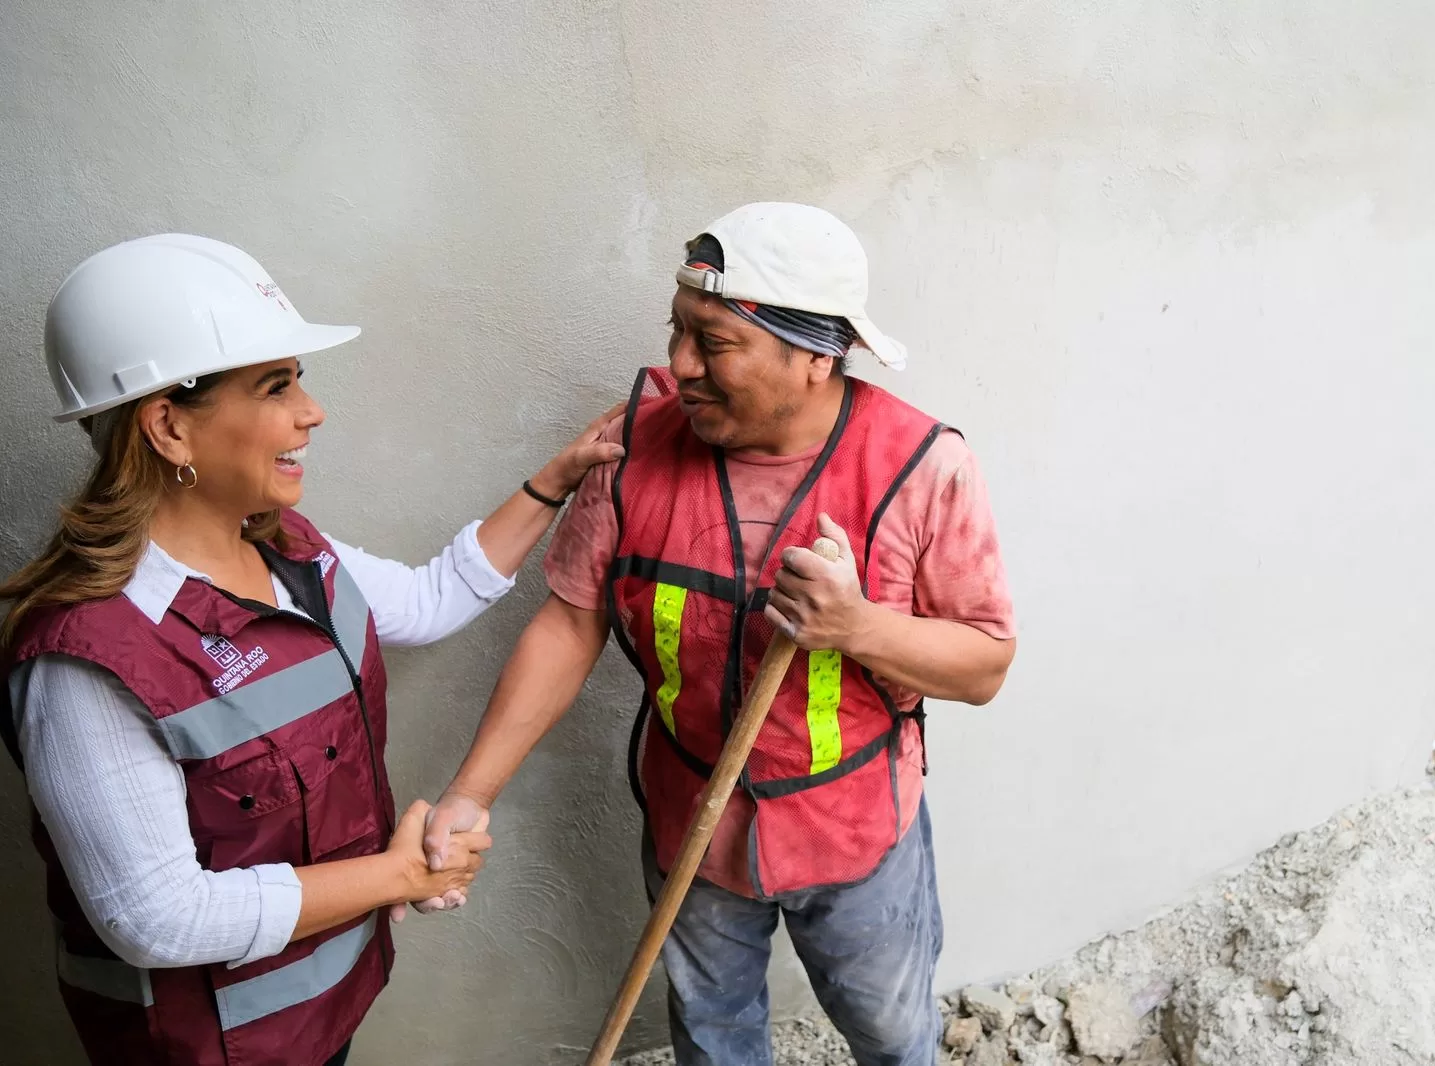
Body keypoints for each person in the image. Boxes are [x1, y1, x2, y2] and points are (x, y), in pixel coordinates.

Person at [0, 233, 621, 1066]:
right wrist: (402, 876)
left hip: (325, 1010)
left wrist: (555, 482)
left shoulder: (291, 553)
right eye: (276, 387)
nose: (312, 412)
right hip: (210, 1050)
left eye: (299, 381)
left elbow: (428, 600)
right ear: (167, 425)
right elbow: (154, 918)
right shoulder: (86, 659)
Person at [421, 203, 1018, 1065]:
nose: (681, 365)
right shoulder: (633, 450)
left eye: (715, 342)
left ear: (818, 354)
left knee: (892, 1036)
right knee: (711, 1037)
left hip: (857, 827)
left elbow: (986, 665)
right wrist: (472, 792)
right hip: (690, 822)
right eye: (678, 332)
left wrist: (856, 625)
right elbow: (571, 620)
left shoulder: (922, 468)